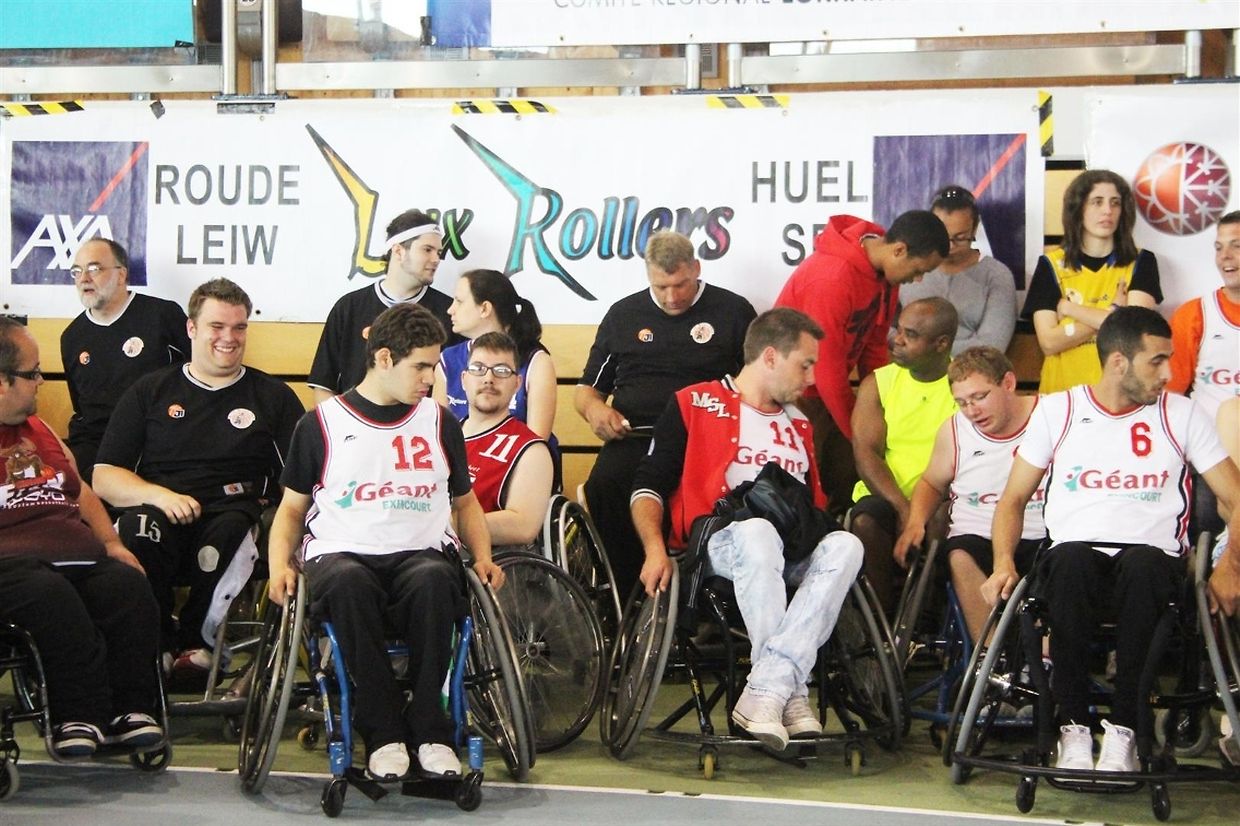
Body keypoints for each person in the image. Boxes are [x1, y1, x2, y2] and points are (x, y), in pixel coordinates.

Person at [983, 307, 1240, 773]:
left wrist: (1228, 568)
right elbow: (1013, 499)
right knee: (1070, 560)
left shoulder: (1182, 414)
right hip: (1074, 564)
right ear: (1119, 362)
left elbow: (1237, 497)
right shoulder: (1059, 410)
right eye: (1157, 361)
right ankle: (1073, 727)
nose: (1169, 373)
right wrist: (1003, 561)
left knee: (1144, 564)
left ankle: (1125, 729)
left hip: (1152, 565)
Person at [267, 302, 503, 781]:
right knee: (348, 583)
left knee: (436, 579)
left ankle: (432, 730)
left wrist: (483, 557)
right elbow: (290, 510)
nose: (430, 378)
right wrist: (278, 567)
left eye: (434, 366)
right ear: (382, 358)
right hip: (342, 554)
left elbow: (466, 505)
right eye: (421, 366)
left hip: (420, 554)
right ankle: (382, 732)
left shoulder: (440, 422)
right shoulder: (321, 424)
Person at [632, 307, 864, 752]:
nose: (811, 378)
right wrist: (654, 549)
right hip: (721, 544)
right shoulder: (695, 403)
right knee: (759, 531)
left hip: (790, 548)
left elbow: (812, 508)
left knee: (846, 545)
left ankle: (770, 691)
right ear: (771, 357)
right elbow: (647, 487)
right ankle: (789, 692)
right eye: (805, 364)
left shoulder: (800, 423)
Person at [92, 278, 304, 673]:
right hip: (160, 508)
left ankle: (199, 646)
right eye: (217, 326)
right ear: (191, 328)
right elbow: (104, 476)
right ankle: (154, 646)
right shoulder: (150, 390)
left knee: (230, 533)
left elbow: (300, 481)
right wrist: (159, 496)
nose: (229, 338)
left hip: (235, 511)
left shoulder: (273, 397)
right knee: (137, 530)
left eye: (239, 327)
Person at [0, 316, 163, 758]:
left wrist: (112, 544)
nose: (41, 381)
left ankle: (131, 710)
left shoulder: (41, 430)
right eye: (32, 373)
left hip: (76, 558)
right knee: (51, 595)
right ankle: (78, 713)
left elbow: (82, 492)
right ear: (2, 381)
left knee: (127, 585)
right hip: (13, 567)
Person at [576, 230, 756, 599]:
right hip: (636, 435)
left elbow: (755, 384)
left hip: (704, 439)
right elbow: (586, 391)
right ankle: (625, 595)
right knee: (603, 487)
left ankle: (699, 594)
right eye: (661, 287)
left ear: (697, 268)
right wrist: (595, 411)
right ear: (648, 276)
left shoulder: (734, 311)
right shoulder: (623, 315)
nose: (672, 297)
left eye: (680, 285)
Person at [774, 210, 949, 512]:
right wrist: (859, 434)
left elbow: (874, 345)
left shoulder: (886, 274)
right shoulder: (832, 277)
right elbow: (825, 369)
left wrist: (881, 402)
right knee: (813, 490)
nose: (918, 279)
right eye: (919, 269)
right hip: (793, 392)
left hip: (827, 390)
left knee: (849, 473)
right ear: (899, 250)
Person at [894, 346, 1044, 643]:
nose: (972, 410)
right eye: (962, 402)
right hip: (978, 534)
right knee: (959, 556)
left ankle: (1042, 658)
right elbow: (931, 482)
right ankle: (988, 655)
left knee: (1063, 560)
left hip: (1042, 532)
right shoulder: (954, 430)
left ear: (1009, 383)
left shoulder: (1050, 417)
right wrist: (915, 522)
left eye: (980, 397)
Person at [849, 297, 959, 613]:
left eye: (910, 335)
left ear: (941, 344)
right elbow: (866, 453)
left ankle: (923, 620)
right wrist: (904, 509)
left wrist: (919, 515)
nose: (896, 340)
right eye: (898, 329)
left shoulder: (963, 385)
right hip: (886, 495)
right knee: (866, 522)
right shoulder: (878, 383)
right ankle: (879, 625)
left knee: (943, 521)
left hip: (944, 497)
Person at [59, 238, 190, 483]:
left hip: (159, 441)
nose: (84, 278)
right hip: (97, 446)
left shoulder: (162, 316)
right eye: (77, 271)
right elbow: (83, 409)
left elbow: (198, 376)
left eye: (94, 268)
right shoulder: (72, 337)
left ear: (121, 275)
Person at [1023, 169, 1162, 395]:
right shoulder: (1051, 265)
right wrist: (1114, 312)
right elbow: (1049, 343)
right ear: (1078, 209)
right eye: (1097, 202)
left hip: (1121, 396)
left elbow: (1133, 332)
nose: (1107, 210)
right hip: (1062, 395)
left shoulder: (1141, 262)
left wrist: (1071, 309)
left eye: (1115, 203)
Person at [309, 209, 460, 402]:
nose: (436, 259)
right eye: (427, 250)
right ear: (398, 251)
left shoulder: (449, 311)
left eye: (438, 252)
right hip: (357, 419)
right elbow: (324, 386)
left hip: (423, 420)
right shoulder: (349, 307)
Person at [434, 269, 560, 485]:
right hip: (463, 474)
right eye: (478, 369)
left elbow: (536, 441)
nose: (450, 309)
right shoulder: (448, 360)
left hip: (519, 473)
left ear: (484, 308)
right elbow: (440, 435)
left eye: (459, 301)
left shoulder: (536, 360)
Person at [1167, 211, 1240, 535]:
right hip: (1210, 454)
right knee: (1207, 522)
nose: (1225, 256)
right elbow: (1169, 394)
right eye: (1219, 247)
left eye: (1237, 246)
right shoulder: (1194, 314)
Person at [461, 331, 554, 547]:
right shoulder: (439, 437)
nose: (488, 379)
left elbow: (523, 527)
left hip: (481, 560)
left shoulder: (530, 450)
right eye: (478, 369)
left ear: (517, 383)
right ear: (464, 379)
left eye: (501, 371)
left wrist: (444, 525)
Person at [899, 186, 1016, 355]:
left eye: (960, 238)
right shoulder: (909, 268)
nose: (950, 246)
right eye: (942, 237)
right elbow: (883, 328)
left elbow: (992, 346)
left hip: (970, 369)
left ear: (974, 229)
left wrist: (921, 349)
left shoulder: (996, 276)